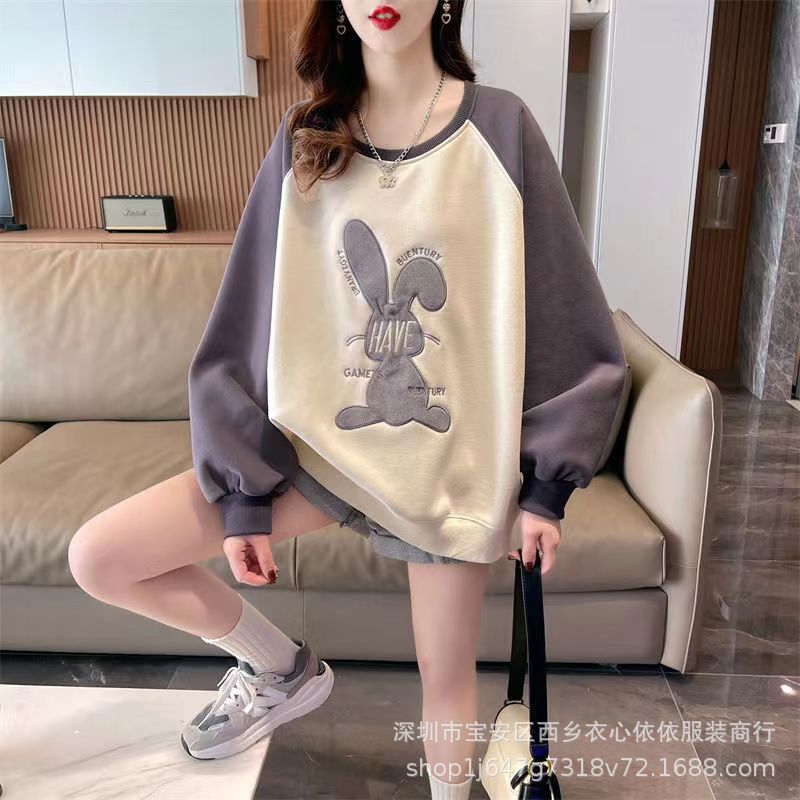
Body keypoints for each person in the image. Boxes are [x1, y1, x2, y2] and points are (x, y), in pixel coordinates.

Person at [68, 1, 628, 797]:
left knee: (446, 682)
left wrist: (545, 488)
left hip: (448, 462)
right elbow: (251, 315)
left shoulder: (502, 128)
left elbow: (563, 310)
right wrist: (243, 492)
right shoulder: (306, 136)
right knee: (100, 556)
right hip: (317, 451)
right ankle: (277, 669)